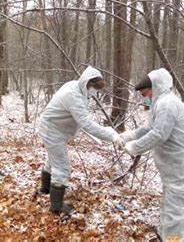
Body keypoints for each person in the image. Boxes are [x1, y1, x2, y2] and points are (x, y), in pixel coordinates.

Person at [119, 68, 184, 241]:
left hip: (183, 163)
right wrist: (128, 136)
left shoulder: (167, 104)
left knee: (174, 211)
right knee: (169, 204)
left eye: (145, 93)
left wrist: (134, 147)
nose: (144, 97)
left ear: (156, 87)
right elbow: (150, 128)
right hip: (175, 164)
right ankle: (167, 236)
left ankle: (173, 239)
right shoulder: (160, 103)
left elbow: (159, 134)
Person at [37, 66, 124, 215]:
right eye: (93, 87)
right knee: (62, 167)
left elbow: (82, 118)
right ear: (86, 82)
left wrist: (106, 132)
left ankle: (45, 189)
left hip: (56, 129)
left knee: (53, 161)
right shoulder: (73, 95)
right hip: (52, 131)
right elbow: (86, 123)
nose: (94, 90)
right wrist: (112, 136)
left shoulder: (77, 88)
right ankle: (56, 207)